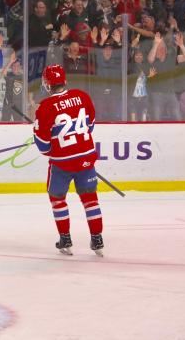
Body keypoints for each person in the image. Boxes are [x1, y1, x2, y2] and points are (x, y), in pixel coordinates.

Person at [33, 64, 104, 256]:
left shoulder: (45, 107)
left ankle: (65, 238)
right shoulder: (82, 96)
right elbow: (90, 126)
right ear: (64, 80)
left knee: (57, 199)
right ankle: (97, 239)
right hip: (86, 159)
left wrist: (55, 146)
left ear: (47, 84)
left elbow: (42, 145)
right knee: (91, 199)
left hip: (62, 163)